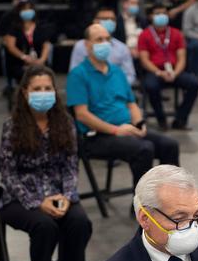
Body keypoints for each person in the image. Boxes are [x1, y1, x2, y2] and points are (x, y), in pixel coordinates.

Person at [0, 66, 92, 261]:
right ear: (25, 92)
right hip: (19, 199)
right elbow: (8, 175)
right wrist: (38, 202)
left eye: (47, 88)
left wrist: (67, 196)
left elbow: (71, 166)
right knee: (45, 226)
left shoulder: (65, 123)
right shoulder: (13, 126)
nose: (43, 93)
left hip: (59, 194)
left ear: (55, 92)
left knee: (80, 222)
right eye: (37, 89)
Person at [67, 23, 179, 188]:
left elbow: (131, 103)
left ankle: (168, 197)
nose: (104, 43)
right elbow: (82, 114)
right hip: (96, 137)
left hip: (126, 129)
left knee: (169, 145)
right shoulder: (78, 74)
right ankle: (143, 205)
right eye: (99, 39)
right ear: (87, 44)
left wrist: (139, 124)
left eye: (107, 39)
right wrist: (116, 130)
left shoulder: (116, 71)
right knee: (144, 149)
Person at [139, 4, 198, 130]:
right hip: (155, 71)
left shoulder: (176, 33)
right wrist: (159, 72)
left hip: (174, 70)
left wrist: (175, 73)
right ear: (151, 16)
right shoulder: (144, 35)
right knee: (151, 86)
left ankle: (180, 119)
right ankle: (161, 119)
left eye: (163, 13)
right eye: (157, 13)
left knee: (194, 83)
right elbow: (144, 60)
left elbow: (182, 58)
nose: (161, 16)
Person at [69, 7, 136, 85]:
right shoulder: (81, 46)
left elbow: (130, 75)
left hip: (116, 90)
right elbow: (74, 73)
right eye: (105, 19)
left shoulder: (123, 48)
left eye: (112, 19)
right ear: (95, 21)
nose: (110, 22)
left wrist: (118, 86)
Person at [3, 0, 54, 82]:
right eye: (24, 9)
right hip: (20, 63)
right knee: (24, 76)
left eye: (29, 9)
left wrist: (42, 60)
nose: (27, 11)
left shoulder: (41, 26)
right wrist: (24, 57)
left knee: (43, 73)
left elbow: (46, 45)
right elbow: (11, 47)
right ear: (19, 11)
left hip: (39, 60)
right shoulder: (14, 28)